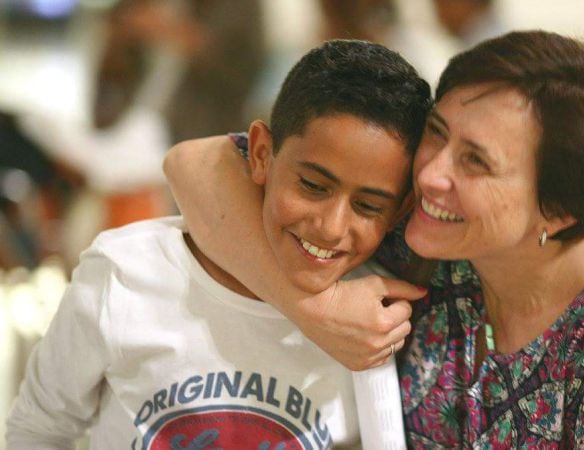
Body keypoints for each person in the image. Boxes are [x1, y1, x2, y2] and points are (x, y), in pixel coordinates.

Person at [163, 30, 584, 448]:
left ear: (559, 211)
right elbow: (196, 164)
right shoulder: (420, 230)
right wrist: (315, 309)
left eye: (475, 162)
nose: (428, 175)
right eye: (438, 133)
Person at [6, 39, 431, 448]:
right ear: (262, 153)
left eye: (368, 206)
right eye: (313, 186)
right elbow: (39, 430)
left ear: (399, 211)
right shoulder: (126, 272)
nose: (333, 227)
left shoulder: (379, 323)